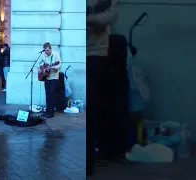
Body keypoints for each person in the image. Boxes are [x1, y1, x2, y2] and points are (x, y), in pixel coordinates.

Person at [86, 0, 118, 176]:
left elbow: (110, 16)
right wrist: (92, 17)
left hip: (96, 55)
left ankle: (88, 161)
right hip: (87, 53)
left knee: (92, 111)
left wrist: (87, 18)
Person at [38, 42, 62, 118]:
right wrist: (39, 68)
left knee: (51, 94)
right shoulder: (43, 55)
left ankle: (51, 112)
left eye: (48, 50)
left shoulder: (55, 54)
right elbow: (37, 62)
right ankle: (47, 110)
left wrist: (53, 67)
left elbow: (59, 65)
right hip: (46, 77)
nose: (47, 52)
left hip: (54, 77)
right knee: (47, 94)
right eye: (45, 50)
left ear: (51, 49)